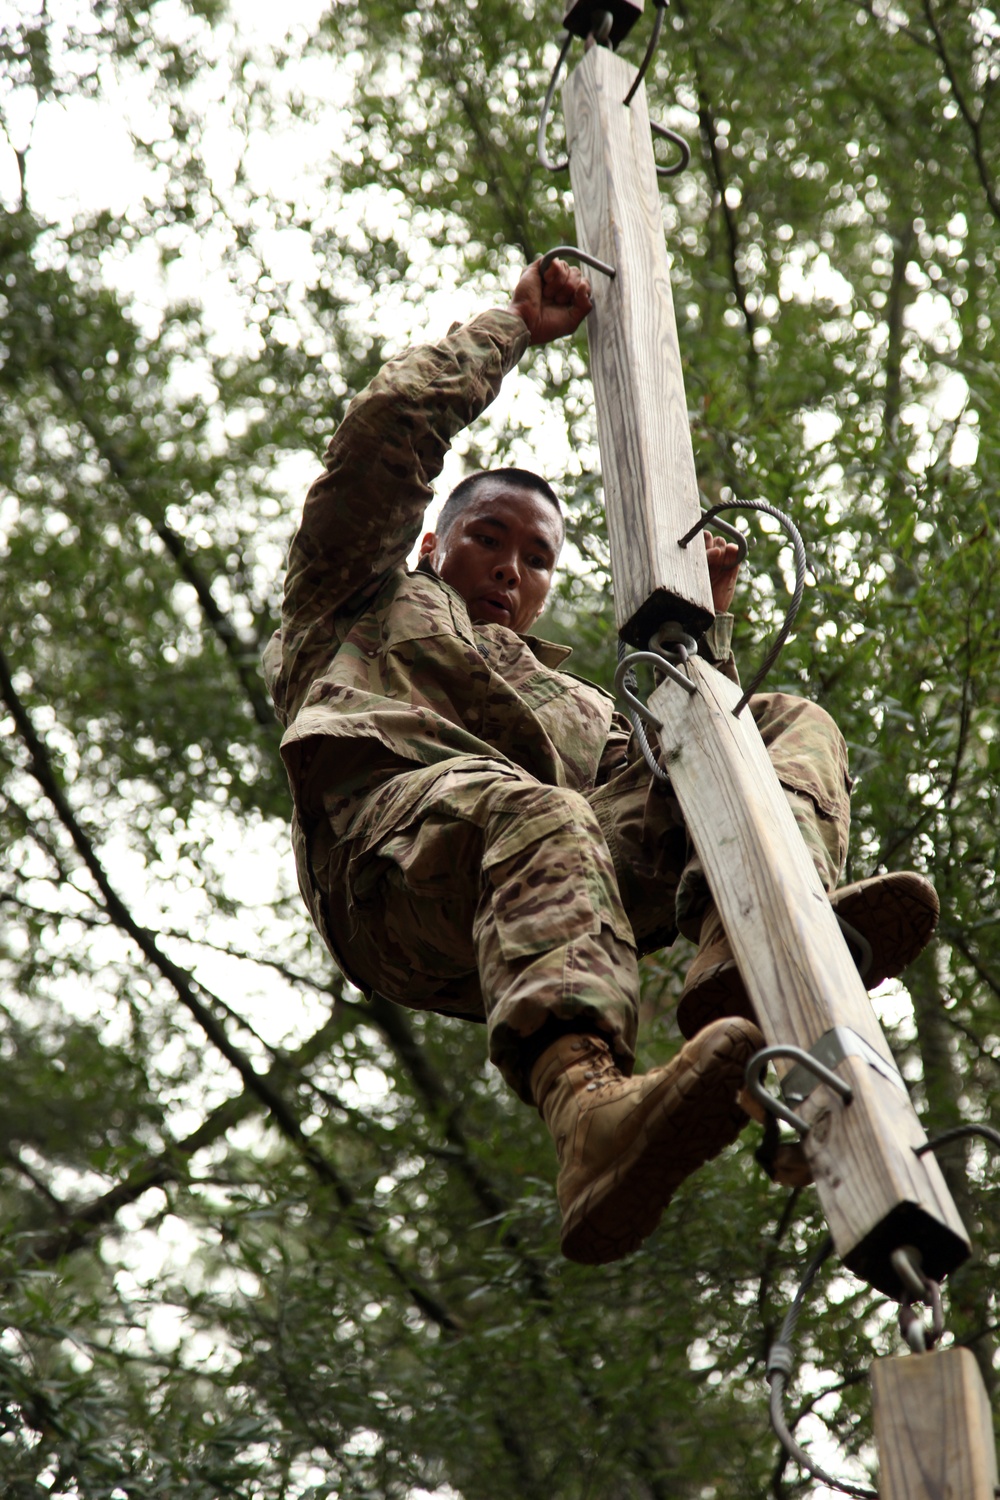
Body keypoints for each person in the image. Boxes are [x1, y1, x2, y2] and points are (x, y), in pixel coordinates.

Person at [263, 258, 938, 1266]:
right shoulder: (355, 596)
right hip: (390, 878)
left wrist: (704, 641)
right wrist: (509, 331)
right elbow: (381, 439)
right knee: (537, 809)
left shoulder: (579, 709)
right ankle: (587, 1119)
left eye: (536, 559)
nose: (511, 568)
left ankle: (749, 950)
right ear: (432, 545)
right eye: (488, 539)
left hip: (539, 906)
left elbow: (686, 784)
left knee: (772, 726)